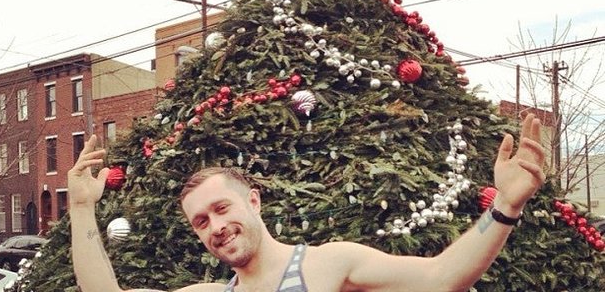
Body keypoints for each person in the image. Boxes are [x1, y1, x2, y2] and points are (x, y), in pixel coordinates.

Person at [69, 113, 545, 292]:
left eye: (221, 208)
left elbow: (441, 278)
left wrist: (505, 205)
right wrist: (82, 209)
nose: (214, 226)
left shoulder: (327, 266)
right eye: (199, 222)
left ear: (253, 201)